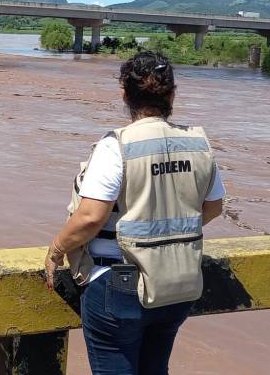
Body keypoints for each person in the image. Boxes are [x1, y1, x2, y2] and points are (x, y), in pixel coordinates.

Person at [44, 51, 224, 375]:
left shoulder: (117, 146)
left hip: (119, 285)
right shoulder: (198, 143)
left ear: (124, 94)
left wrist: (56, 250)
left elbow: (89, 218)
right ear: (172, 94)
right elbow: (213, 207)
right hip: (177, 285)